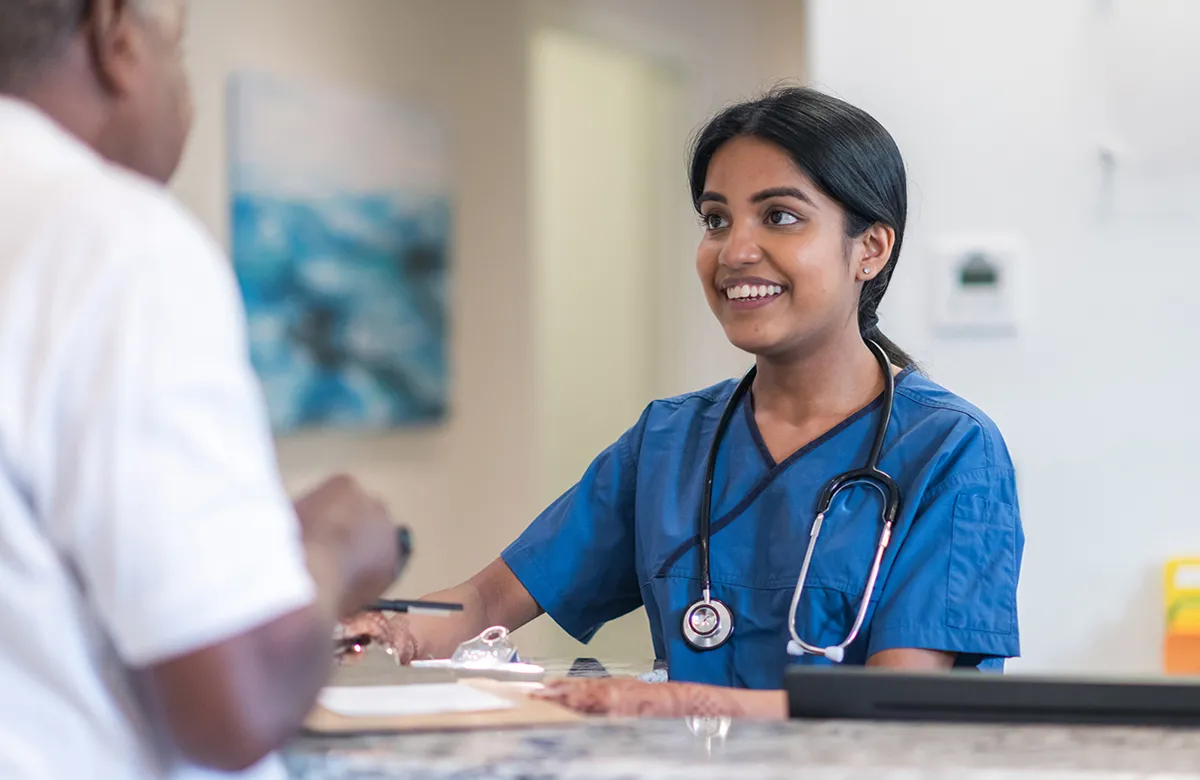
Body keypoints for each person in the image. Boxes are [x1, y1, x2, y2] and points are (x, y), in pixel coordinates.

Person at [344, 86, 1025, 718]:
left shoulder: (950, 450)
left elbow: (895, 707)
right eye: (716, 219)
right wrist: (386, 621)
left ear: (870, 248)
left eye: (780, 216)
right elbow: (491, 597)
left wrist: (682, 704)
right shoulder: (670, 441)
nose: (735, 250)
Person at [0, 1, 401, 777]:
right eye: (176, 51)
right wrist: (334, 543)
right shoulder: (114, 241)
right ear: (114, 35)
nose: (184, 94)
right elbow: (234, 704)